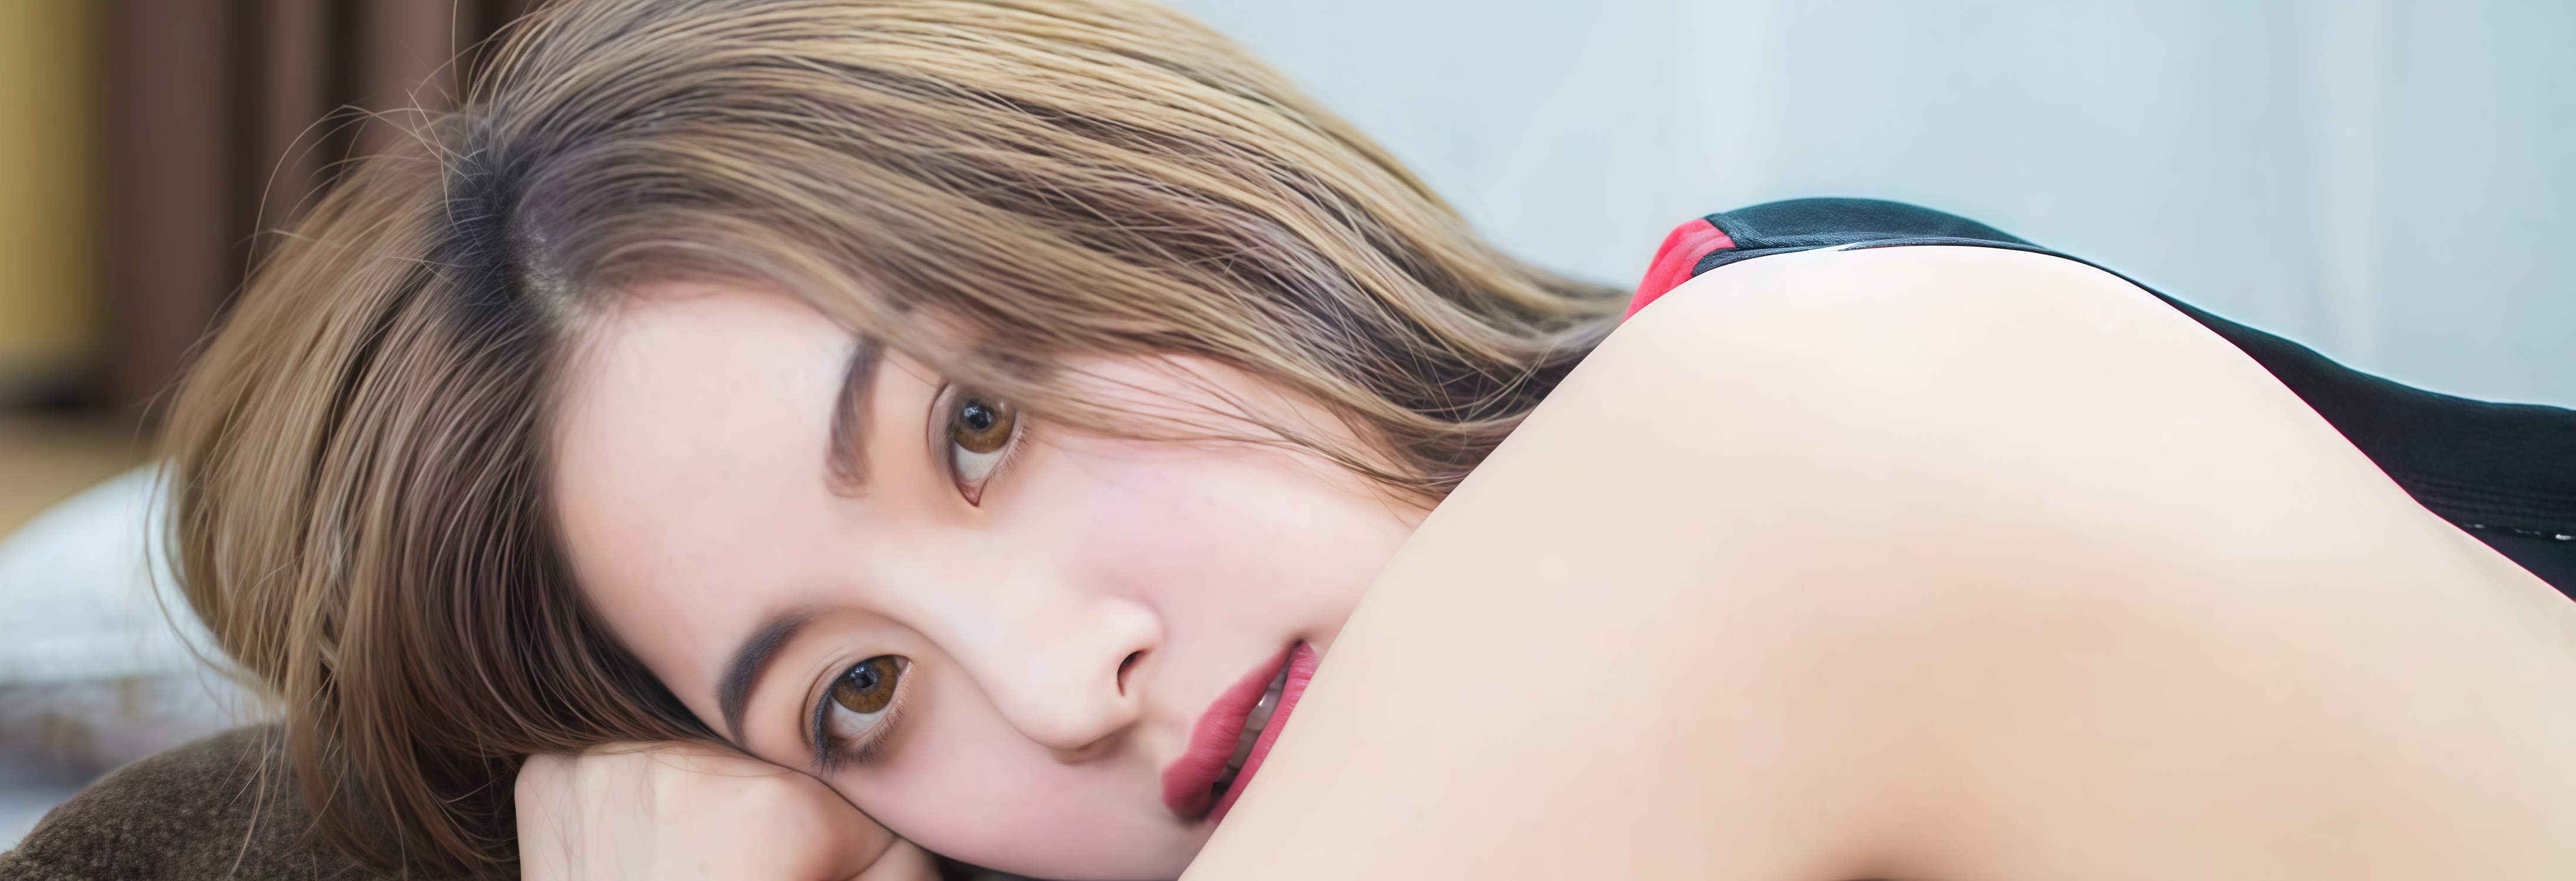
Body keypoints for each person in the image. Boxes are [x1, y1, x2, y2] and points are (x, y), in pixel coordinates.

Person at [152, 0, 2576, 878]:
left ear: (1190, 220)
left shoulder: (1761, 450)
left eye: (980, 422)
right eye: (856, 695)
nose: (1062, 680)